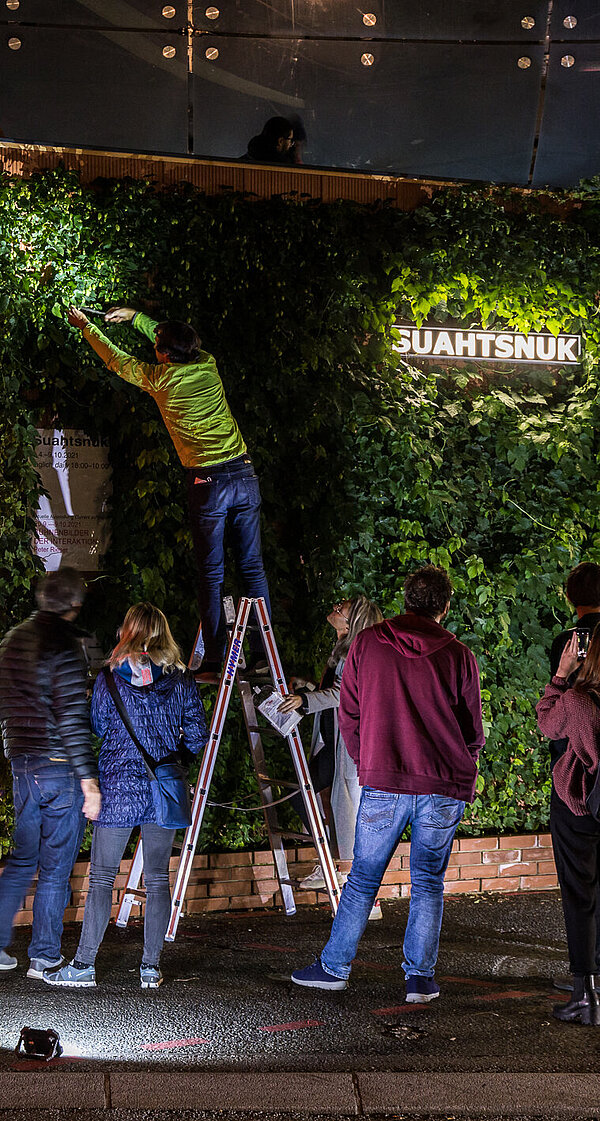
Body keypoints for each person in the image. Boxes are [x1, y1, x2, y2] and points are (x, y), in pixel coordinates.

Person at [291, 565, 484, 1001]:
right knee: (428, 881)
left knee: (362, 878)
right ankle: (419, 978)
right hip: (441, 783)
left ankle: (334, 967)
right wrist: (462, 761)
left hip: (385, 780)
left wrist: (367, 761)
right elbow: (471, 728)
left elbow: (349, 711)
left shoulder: (367, 645)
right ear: (445, 607)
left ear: (406, 599)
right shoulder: (459, 656)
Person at [67, 306, 271, 683]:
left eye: (157, 345)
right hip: (243, 474)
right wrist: (134, 318)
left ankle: (215, 657)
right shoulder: (207, 365)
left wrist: (87, 327)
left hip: (208, 484)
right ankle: (262, 654)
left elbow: (116, 360)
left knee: (211, 575)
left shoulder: (161, 380)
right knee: (252, 569)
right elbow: (170, 340)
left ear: (164, 355)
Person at [44, 602, 208, 989]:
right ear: (162, 632)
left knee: (101, 877)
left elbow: (98, 726)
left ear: (129, 631)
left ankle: (84, 965)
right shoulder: (181, 680)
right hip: (162, 790)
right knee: (157, 879)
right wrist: (172, 760)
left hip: (118, 786)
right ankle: (150, 968)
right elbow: (199, 736)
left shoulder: (109, 678)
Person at [0, 568, 100, 978]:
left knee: (22, 860)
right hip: (59, 767)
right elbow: (73, 719)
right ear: (75, 605)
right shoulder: (66, 647)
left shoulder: (10, 640)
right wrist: (89, 781)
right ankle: (43, 955)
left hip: (22, 764)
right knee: (56, 866)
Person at [278, 595, 382, 918]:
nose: (335, 608)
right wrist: (309, 687)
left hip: (346, 746)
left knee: (338, 803)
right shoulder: (344, 648)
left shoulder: (355, 652)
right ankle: (331, 860)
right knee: (304, 794)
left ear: (352, 622)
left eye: (342, 609)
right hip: (331, 741)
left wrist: (304, 702)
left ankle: (352, 882)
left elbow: (341, 694)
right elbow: (334, 688)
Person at [536, 628, 600, 1025]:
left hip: (579, 807)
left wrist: (561, 674)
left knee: (580, 897)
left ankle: (585, 995)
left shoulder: (579, 701)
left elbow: (547, 722)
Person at [549, 561, 600, 992]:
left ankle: (585, 979)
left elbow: (552, 722)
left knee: (578, 883)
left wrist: (561, 676)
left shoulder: (569, 643)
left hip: (577, 781)